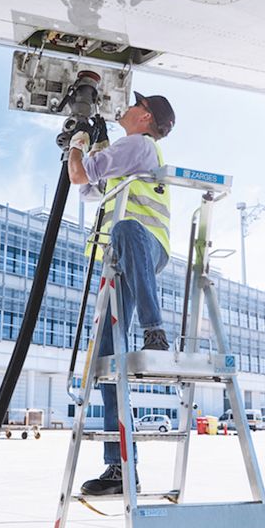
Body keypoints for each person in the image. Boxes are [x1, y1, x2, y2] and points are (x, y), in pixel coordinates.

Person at [66, 91, 176, 495]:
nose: (126, 110)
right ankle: (120, 469)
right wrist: (94, 145)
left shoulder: (140, 145)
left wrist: (77, 146)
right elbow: (91, 189)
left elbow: (79, 174)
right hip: (124, 261)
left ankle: (154, 330)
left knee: (126, 226)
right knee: (111, 362)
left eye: (134, 106)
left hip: (143, 247)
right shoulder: (129, 151)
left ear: (145, 117)